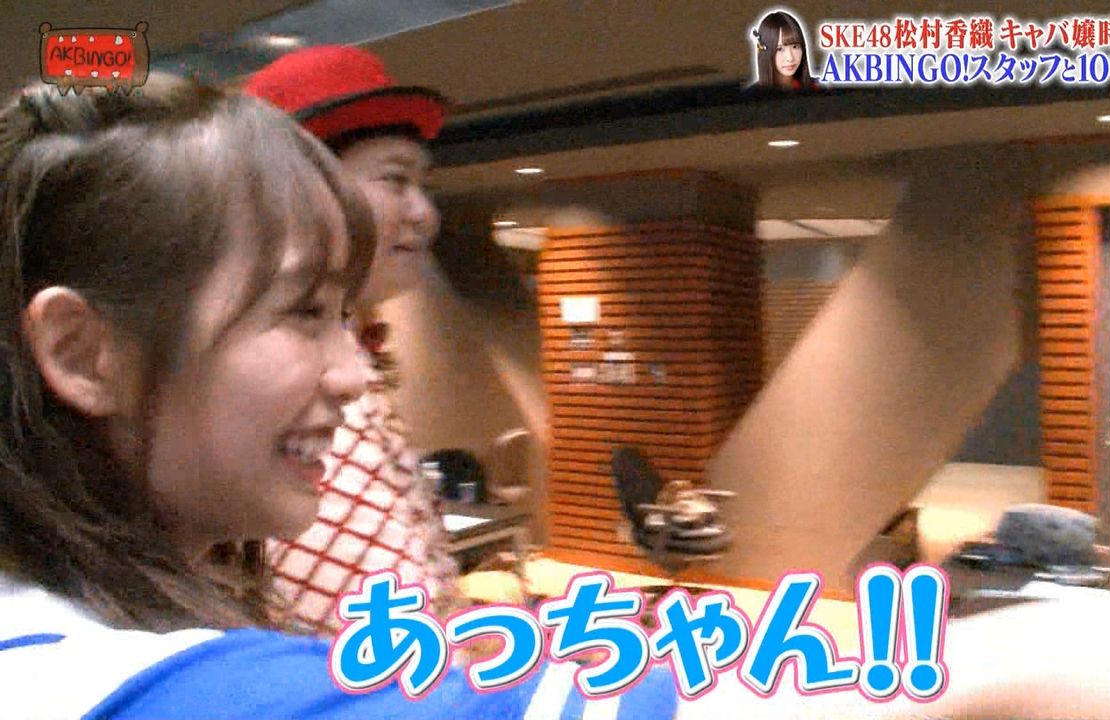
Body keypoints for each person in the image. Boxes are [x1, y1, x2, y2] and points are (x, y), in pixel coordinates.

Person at [0, 74, 676, 718]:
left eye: (343, 316)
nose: (351, 375)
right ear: (82, 353)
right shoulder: (141, 685)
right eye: (303, 310)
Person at [242, 46, 465, 635]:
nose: (423, 213)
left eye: (422, 184)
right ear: (297, 192)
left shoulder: (331, 359)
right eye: (395, 180)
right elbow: (374, 650)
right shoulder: (290, 392)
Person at [750, 11, 816, 91]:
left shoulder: (816, 88)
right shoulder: (752, 96)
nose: (790, 58)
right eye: (780, 49)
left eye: (795, 47)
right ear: (764, 51)